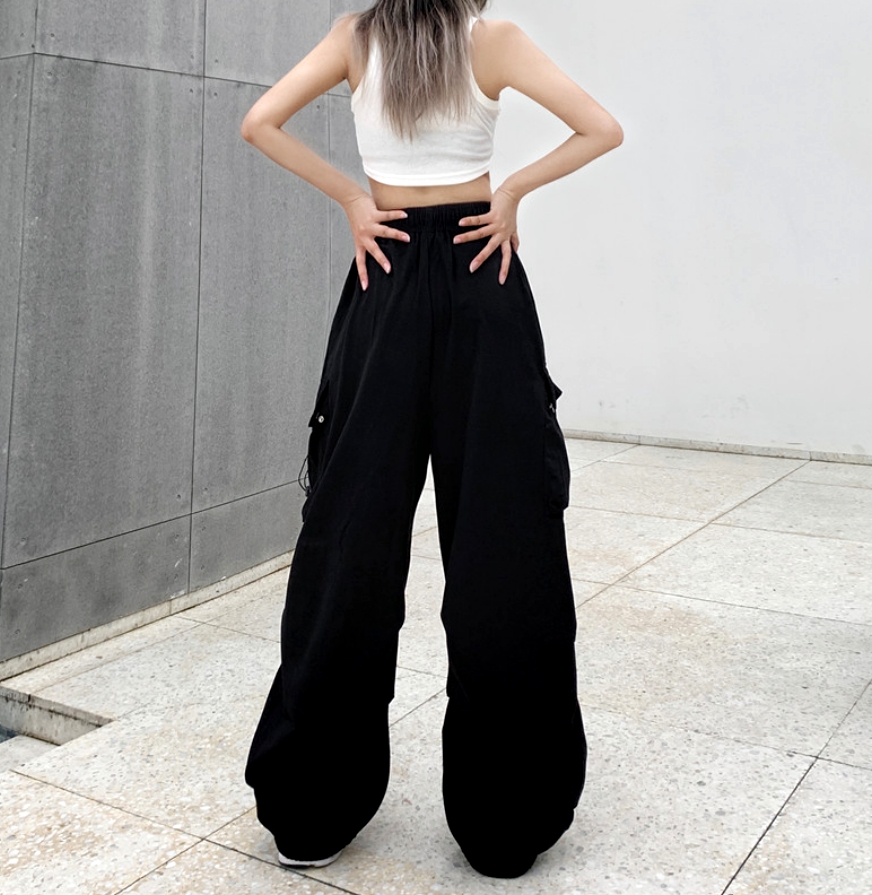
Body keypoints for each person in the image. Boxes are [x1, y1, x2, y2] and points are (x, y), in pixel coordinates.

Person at [241, 0, 622, 880]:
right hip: (482, 276)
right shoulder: (492, 38)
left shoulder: (355, 34)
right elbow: (601, 128)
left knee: (350, 535)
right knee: (505, 538)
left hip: (385, 280)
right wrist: (511, 191)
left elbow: (260, 121)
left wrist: (352, 197)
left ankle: (309, 809)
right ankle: (506, 821)